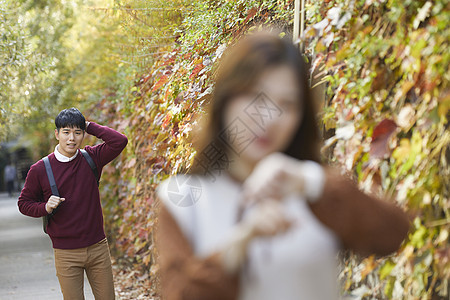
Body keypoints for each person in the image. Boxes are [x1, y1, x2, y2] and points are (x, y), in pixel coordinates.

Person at [156, 31, 410, 300]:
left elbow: (392, 234)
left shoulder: (314, 189)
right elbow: (180, 292)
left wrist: (310, 183)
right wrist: (241, 243)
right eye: (255, 96)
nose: (269, 118)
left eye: (287, 104)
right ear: (225, 100)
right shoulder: (183, 199)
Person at [18, 108, 128, 299]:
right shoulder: (40, 169)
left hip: (98, 247)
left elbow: (120, 141)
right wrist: (44, 207)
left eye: (77, 133)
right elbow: (24, 203)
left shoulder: (92, 158)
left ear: (84, 134)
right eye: (66, 132)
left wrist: (88, 125)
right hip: (65, 252)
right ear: (57, 134)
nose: (72, 138)